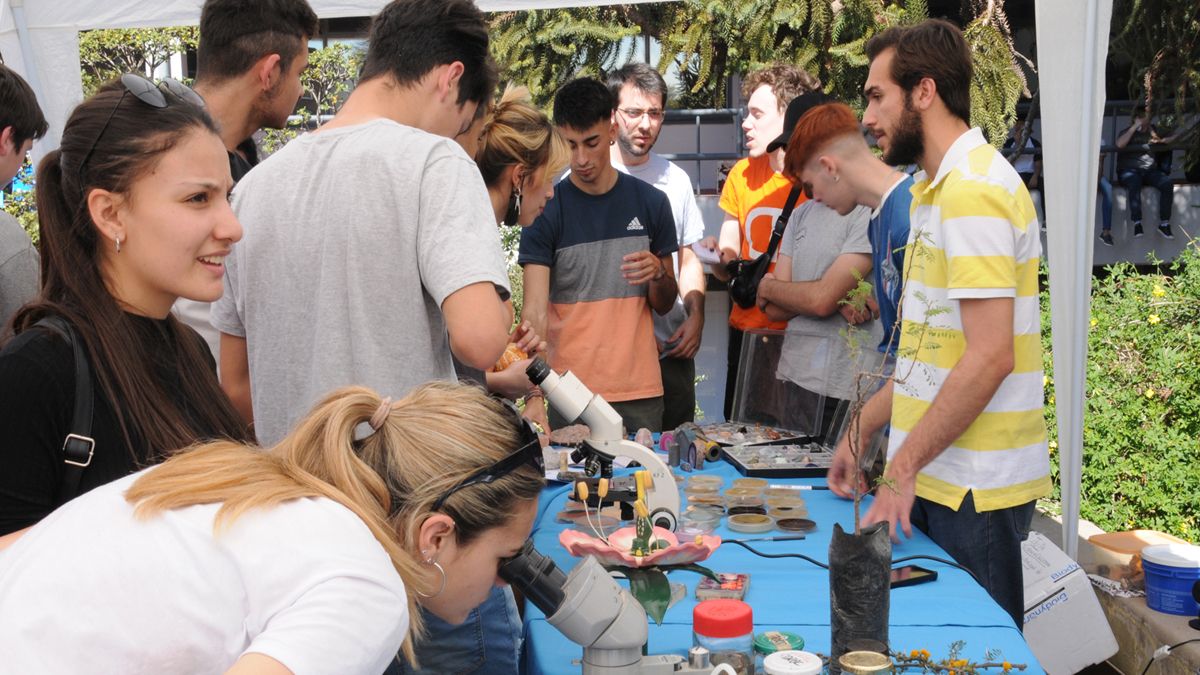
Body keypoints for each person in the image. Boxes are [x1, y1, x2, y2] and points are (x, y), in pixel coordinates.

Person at [0, 381, 545, 674]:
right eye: (507, 559)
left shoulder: (246, 484)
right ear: (436, 536)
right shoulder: (365, 582)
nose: (506, 585)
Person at [827, 20, 1051, 628]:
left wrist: (900, 468)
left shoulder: (973, 190)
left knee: (976, 653)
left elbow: (987, 357)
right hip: (941, 477)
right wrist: (864, 428)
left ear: (924, 92)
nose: (866, 116)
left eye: (876, 96)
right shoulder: (935, 190)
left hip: (971, 487)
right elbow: (932, 356)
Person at [214, 0, 512, 447]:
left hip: (292, 485)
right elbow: (481, 342)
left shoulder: (252, 190)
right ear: (451, 79)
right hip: (402, 490)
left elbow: (235, 384)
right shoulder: (435, 161)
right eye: (461, 123)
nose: (454, 137)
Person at [0, 75, 250, 537]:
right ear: (110, 213)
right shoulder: (36, 373)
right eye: (199, 198)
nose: (231, 227)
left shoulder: (190, 349)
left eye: (226, 196)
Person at [519, 77, 678, 432]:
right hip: (568, 395)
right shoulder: (544, 209)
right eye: (569, 144)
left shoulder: (652, 203)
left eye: (590, 142)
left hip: (639, 393)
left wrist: (658, 274)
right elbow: (534, 316)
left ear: (611, 127)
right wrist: (534, 396)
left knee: (644, 485)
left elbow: (666, 303)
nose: (580, 159)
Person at [174, 0, 319, 358]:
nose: (300, 90)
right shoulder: (167, 155)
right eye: (299, 72)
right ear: (269, 71)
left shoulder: (238, 157)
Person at [756, 96, 878, 445]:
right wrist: (808, 294)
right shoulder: (801, 214)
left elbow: (820, 300)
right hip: (795, 380)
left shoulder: (866, 209)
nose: (798, 169)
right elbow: (773, 309)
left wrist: (776, 288)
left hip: (847, 387)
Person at [705, 63, 822, 421]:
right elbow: (729, 264)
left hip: (800, 334)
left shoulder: (816, 180)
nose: (746, 123)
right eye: (746, 113)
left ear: (788, 118)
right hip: (748, 334)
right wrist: (715, 257)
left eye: (757, 114)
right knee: (743, 433)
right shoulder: (742, 174)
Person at [607, 62, 707, 430]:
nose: (645, 124)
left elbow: (688, 256)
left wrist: (697, 314)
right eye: (634, 112)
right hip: (609, 360)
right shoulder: (577, 181)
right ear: (612, 114)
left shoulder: (675, 180)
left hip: (670, 354)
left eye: (655, 113)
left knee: (675, 465)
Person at [784, 101, 914, 358]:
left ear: (829, 167)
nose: (815, 197)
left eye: (810, 185)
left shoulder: (908, 212)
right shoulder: (879, 216)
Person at [0, 63, 47, 332]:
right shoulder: (6, 241)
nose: (22, 163)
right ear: (6, 139)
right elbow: (25, 341)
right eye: (26, 150)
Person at [1115, 108, 1181, 239]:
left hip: (1149, 171)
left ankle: (1164, 224)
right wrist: (1134, 127)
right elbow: (1119, 144)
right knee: (1134, 182)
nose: (1146, 121)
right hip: (1129, 171)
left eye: (1147, 118)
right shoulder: (1127, 132)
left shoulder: (1154, 131)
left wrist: (1163, 141)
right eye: (1142, 118)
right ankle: (1137, 222)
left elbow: (1177, 135)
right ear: (1136, 119)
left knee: (1167, 184)